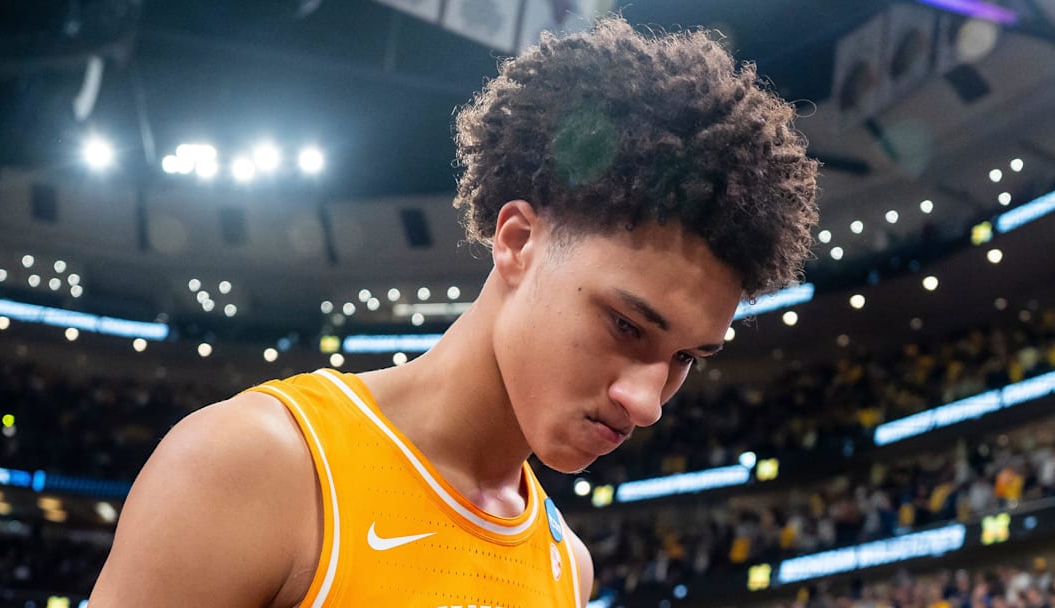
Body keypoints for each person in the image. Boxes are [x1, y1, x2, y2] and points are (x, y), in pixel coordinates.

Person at [90, 15, 818, 607]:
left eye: (685, 359)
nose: (647, 400)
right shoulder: (255, 466)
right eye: (627, 326)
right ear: (518, 241)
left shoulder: (569, 568)